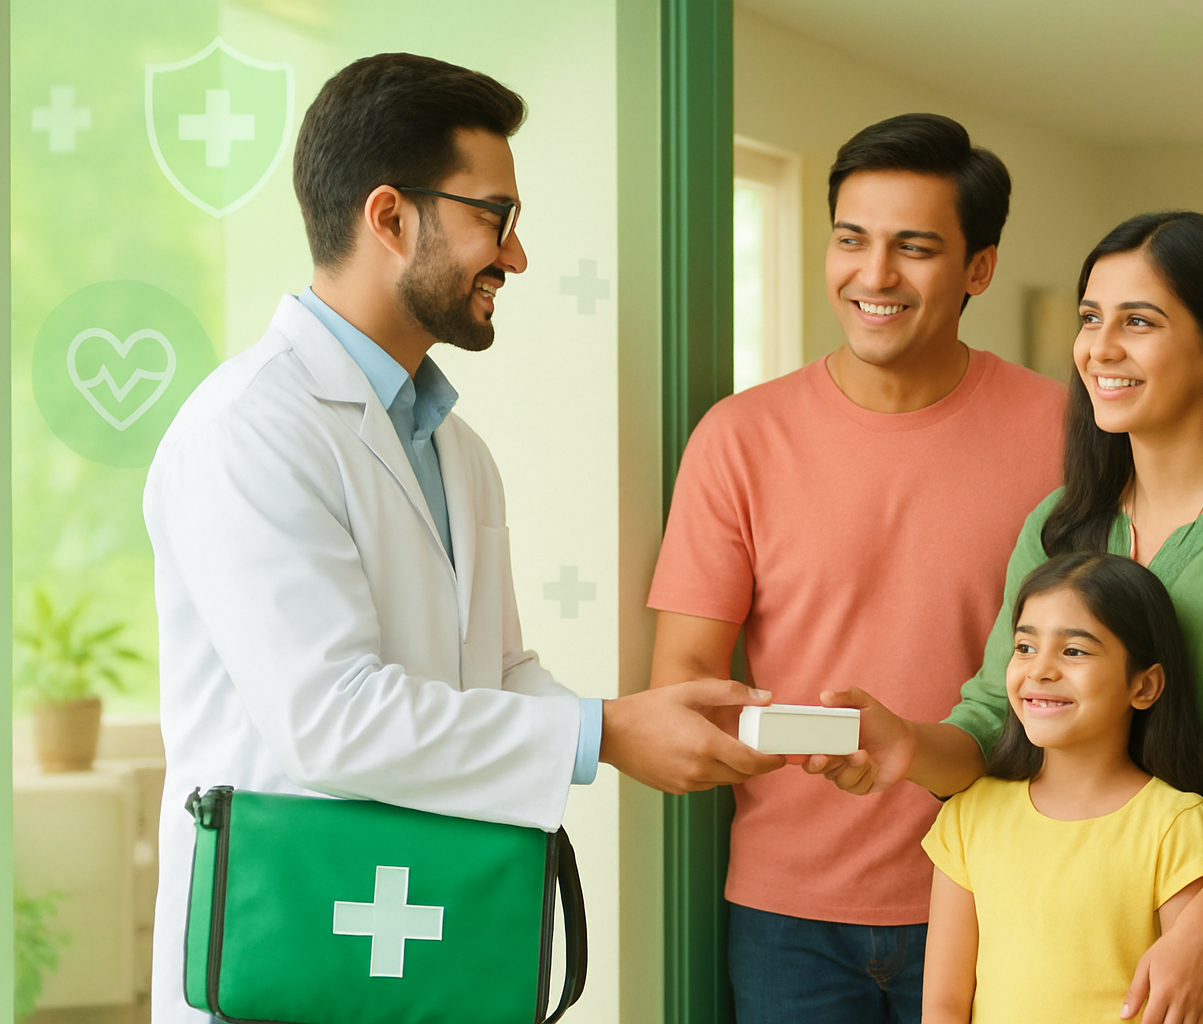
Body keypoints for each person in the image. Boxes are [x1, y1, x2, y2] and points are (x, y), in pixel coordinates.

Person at [144, 53, 783, 1024]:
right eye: (497, 218)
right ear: (391, 218)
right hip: (278, 956)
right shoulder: (251, 427)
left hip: (425, 941)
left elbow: (494, 664)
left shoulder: (456, 448)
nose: (516, 257)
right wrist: (602, 732)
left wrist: (631, 722)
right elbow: (330, 719)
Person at [808, 211, 1203, 1024]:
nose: (1100, 349)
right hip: (1058, 959)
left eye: (1138, 322)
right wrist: (904, 744)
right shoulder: (1061, 524)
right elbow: (991, 716)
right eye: (1089, 319)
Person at [646, 112, 1066, 1024]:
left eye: (914, 248)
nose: (874, 276)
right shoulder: (738, 438)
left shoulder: (1065, 432)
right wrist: (802, 735)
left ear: (978, 269)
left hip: (1004, 886)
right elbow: (681, 680)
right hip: (786, 914)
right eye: (851, 240)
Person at [922, 551, 1203, 1024]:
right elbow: (944, 1005)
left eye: (1073, 651)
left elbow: (1190, 999)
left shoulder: (1178, 824)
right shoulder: (966, 817)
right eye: (1025, 647)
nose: (1040, 670)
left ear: (1145, 686)